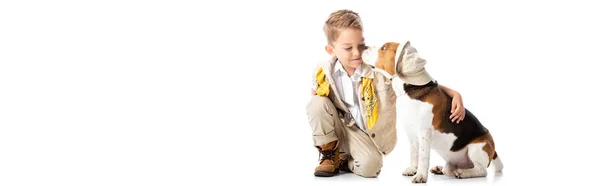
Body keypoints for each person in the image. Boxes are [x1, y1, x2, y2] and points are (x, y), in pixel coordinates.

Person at [306, 9, 466, 178]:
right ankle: (329, 154)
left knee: (370, 168)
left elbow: (416, 83)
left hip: (361, 134)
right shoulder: (323, 70)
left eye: (361, 45)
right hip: (337, 126)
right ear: (331, 50)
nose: (357, 52)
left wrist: (454, 94)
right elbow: (319, 109)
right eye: (348, 48)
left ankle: (345, 157)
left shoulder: (379, 72)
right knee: (316, 102)